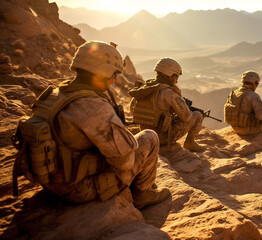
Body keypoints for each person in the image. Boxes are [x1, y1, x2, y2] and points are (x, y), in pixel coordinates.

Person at [18, 41, 170, 209]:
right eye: (114, 74)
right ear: (104, 72)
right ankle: (142, 194)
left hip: (53, 183)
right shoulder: (93, 105)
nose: (113, 80)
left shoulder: (54, 94)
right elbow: (125, 162)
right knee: (149, 137)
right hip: (80, 189)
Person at [129, 58, 204, 152]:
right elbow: (187, 117)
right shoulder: (168, 92)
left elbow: (133, 110)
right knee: (198, 115)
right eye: (176, 78)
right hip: (162, 139)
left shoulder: (145, 88)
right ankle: (190, 143)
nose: (175, 81)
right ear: (171, 75)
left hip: (146, 134)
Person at [224, 70, 262, 153]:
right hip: (248, 130)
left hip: (235, 128)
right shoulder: (253, 96)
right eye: (257, 84)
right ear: (254, 83)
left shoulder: (234, 93)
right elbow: (261, 116)